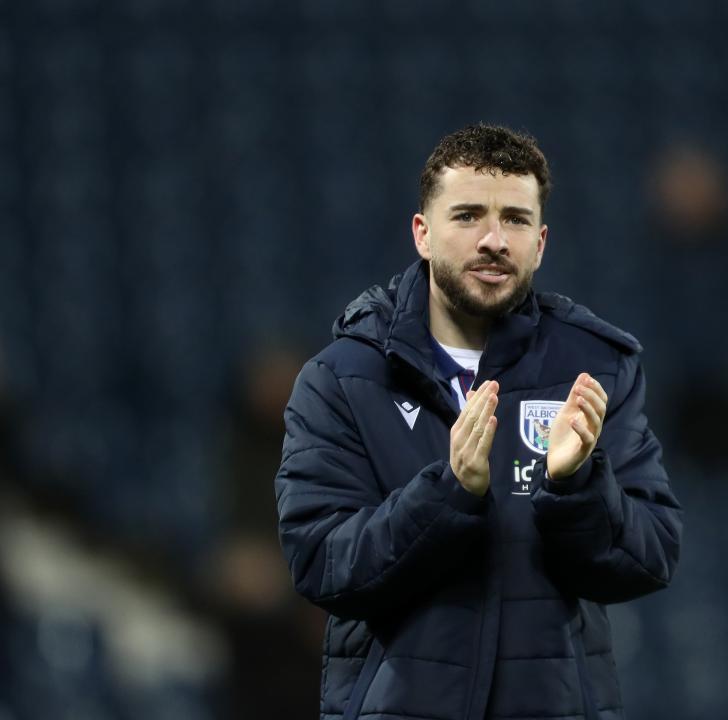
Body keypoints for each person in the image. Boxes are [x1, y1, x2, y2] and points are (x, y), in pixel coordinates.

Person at [275, 124, 683, 720]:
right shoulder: (342, 380)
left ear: (540, 243)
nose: (494, 239)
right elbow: (321, 565)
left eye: (515, 220)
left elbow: (650, 558)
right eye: (467, 215)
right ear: (422, 232)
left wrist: (576, 487)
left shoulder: (594, 370)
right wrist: (447, 496)